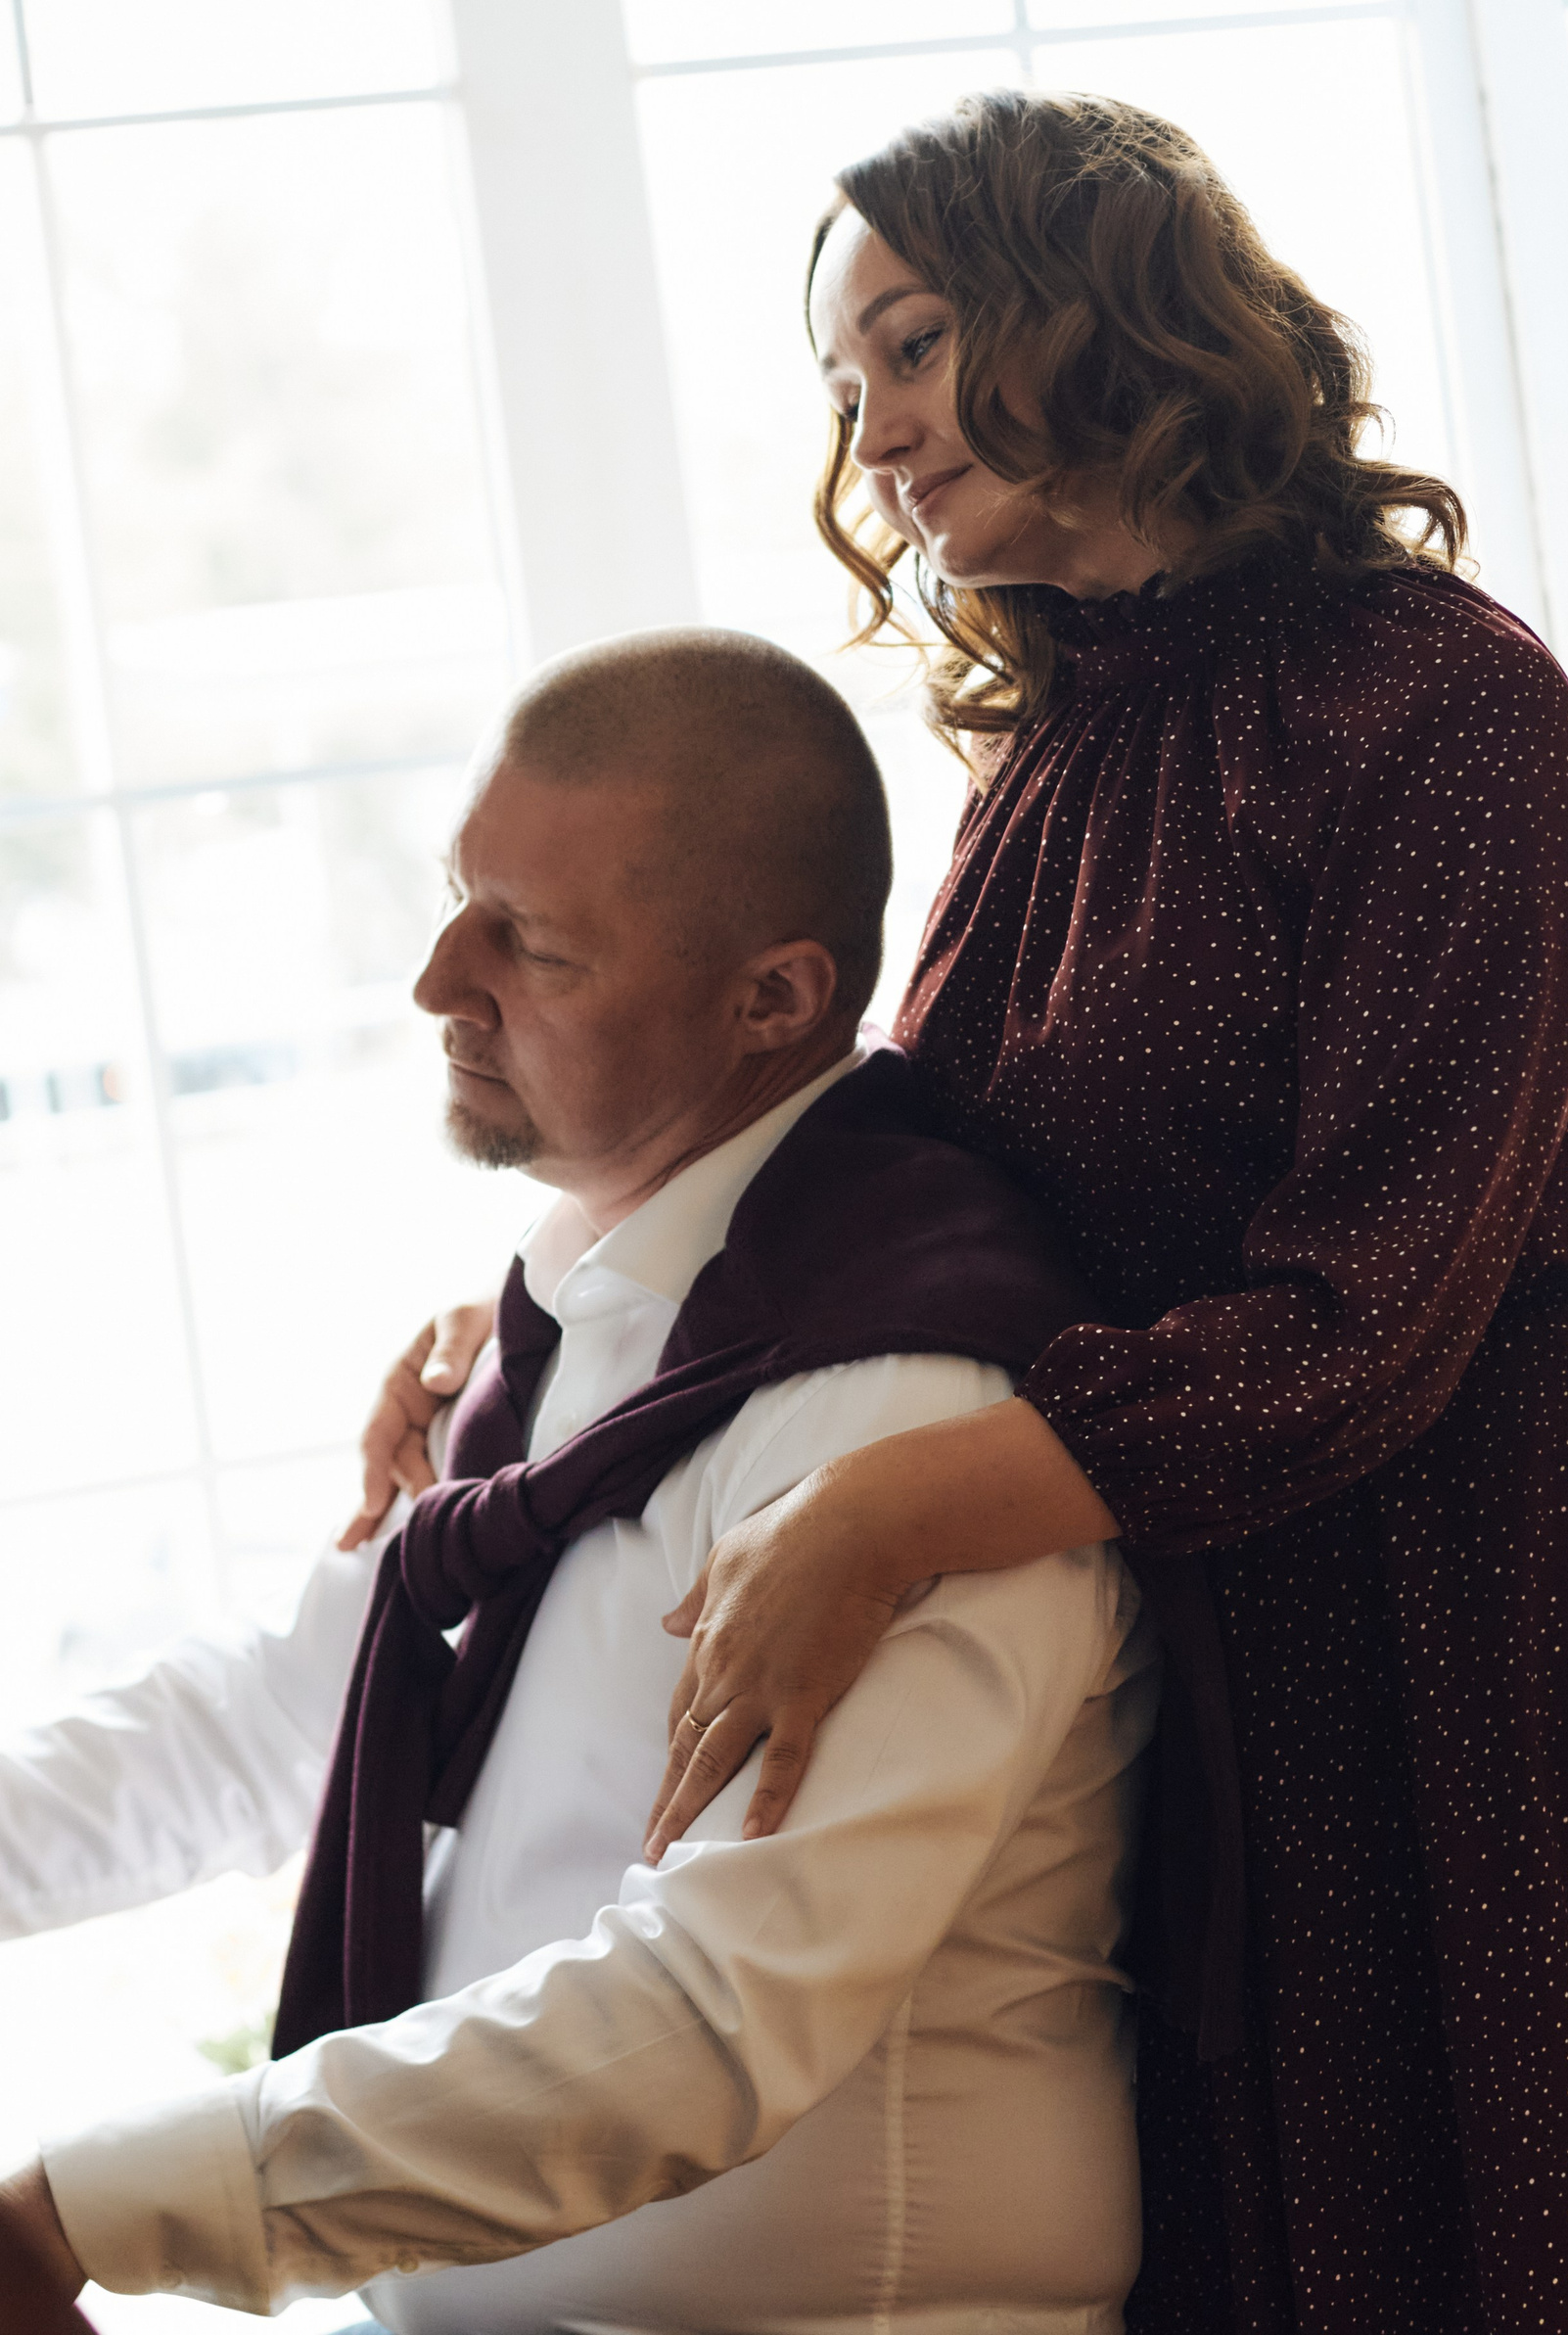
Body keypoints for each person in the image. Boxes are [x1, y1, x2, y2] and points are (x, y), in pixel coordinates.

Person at [366, 87, 1568, 2334]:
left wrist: (895, 1502)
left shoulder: (1444, 704)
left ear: (1101, 309)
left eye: (910, 344)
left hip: (1490, 1591)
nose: (873, 431)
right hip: (1214, 1591)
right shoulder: (1060, 741)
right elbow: (895, 1175)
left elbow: (1375, 1306)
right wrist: (535, 1326)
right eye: (844, 382)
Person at [0, 630, 1159, 2333]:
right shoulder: (591, 1313)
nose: (435, 980)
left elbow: (713, 2018)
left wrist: (89, 2207)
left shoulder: (901, 1417)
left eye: (528, 944)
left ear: (773, 1000)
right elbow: (290, 1712)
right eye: (458, 898)